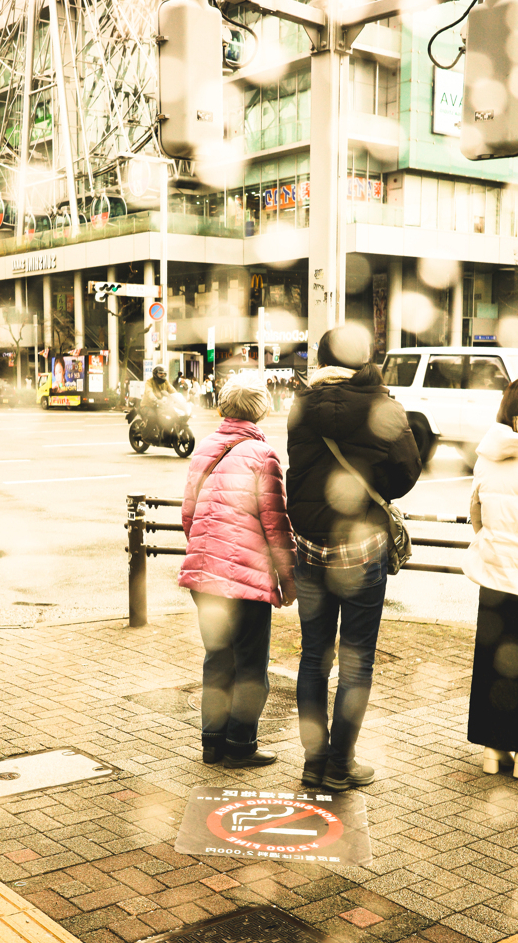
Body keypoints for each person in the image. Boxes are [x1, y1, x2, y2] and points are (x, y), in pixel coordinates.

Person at [286, 328, 421, 791]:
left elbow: (298, 469)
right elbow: (406, 473)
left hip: (308, 545)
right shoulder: (382, 406)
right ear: (366, 358)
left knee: (312, 658)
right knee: (357, 660)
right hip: (361, 548)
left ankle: (312, 762)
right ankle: (340, 765)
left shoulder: (301, 405)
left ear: (321, 358)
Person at [179, 373, 296, 769]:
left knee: (216, 657)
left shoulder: (205, 449)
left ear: (222, 408)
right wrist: (289, 578)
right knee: (250, 664)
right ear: (262, 411)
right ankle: (241, 745)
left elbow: (189, 515)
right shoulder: (264, 456)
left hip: (204, 575)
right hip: (245, 579)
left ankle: (212, 742)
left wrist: (203, 554)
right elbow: (276, 524)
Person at [462, 381, 518, 776]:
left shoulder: (487, 455)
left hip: (495, 577)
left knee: (494, 664)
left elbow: (475, 514)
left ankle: (492, 751)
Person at [141, 364, 175, 441]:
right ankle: (145, 435)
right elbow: (149, 392)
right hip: (148, 405)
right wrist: (155, 400)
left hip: (160, 405)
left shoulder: (165, 382)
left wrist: (181, 398)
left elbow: (173, 391)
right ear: (155, 374)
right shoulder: (149, 382)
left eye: (164, 373)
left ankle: (166, 433)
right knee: (153, 416)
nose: (162, 375)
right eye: (160, 373)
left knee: (172, 414)